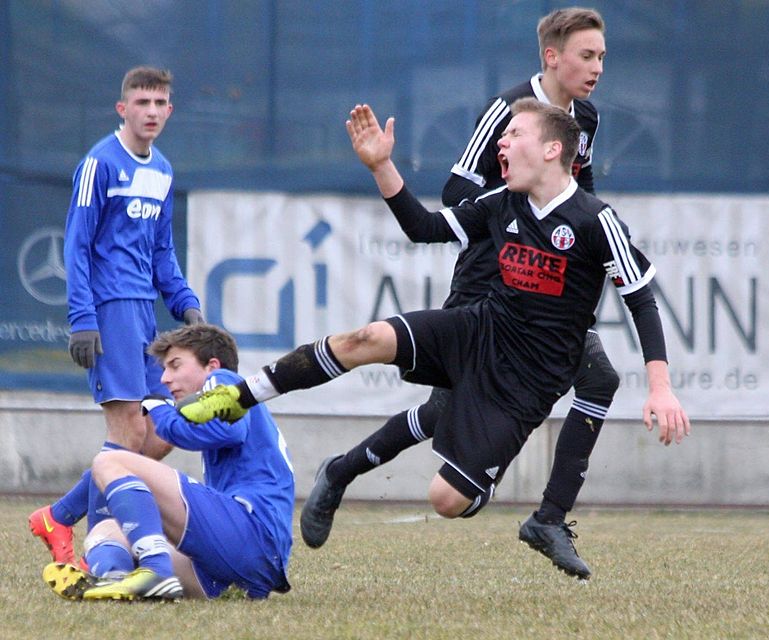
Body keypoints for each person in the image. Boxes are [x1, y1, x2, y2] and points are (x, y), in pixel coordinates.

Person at [177, 101, 690, 571]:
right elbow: (422, 227)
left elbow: (641, 300)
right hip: (478, 329)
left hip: (525, 381)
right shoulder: (501, 201)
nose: (501, 143)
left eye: (514, 134)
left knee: (447, 501)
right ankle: (239, 396)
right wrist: (381, 166)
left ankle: (536, 514)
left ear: (554, 149)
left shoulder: (595, 221)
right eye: (503, 135)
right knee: (365, 338)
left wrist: (660, 387)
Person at [297, 7, 616, 581]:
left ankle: (548, 518)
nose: (596, 67)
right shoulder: (508, 111)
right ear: (552, 57)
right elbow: (454, 190)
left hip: (547, 284)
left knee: (598, 377)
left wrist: (574, 234)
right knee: (449, 403)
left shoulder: (583, 118)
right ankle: (340, 473)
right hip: (489, 279)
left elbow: (579, 183)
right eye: (587, 55)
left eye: (600, 57)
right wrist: (515, 209)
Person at [29, 66, 204, 568]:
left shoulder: (164, 170)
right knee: (128, 435)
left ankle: (60, 515)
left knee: (164, 431)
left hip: (145, 315)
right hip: (109, 311)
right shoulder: (99, 163)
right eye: (141, 103)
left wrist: (185, 303)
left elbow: (162, 251)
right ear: (122, 108)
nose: (151, 112)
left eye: (160, 103)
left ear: (169, 111)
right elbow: (77, 245)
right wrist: (83, 318)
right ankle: (105, 538)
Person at [42, 324, 294, 601]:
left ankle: (155, 570)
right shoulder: (223, 398)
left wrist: (161, 411)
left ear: (211, 365)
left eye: (175, 365)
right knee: (106, 530)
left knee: (109, 460)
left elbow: (227, 429)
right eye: (164, 368)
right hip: (237, 567)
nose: (164, 378)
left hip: (251, 536)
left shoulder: (224, 378)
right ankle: (115, 580)